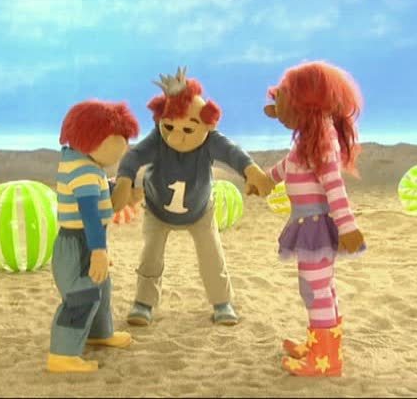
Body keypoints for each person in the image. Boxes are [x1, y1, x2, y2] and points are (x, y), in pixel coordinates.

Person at [112, 67, 275, 326]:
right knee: (150, 256)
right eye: (169, 126)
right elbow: (134, 156)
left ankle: (222, 302)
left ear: (207, 124)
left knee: (212, 256)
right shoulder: (158, 139)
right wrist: (124, 179)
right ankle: (143, 303)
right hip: (157, 209)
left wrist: (251, 170)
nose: (176, 136)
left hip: (200, 212)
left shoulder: (210, 141)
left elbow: (233, 153)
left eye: (188, 129)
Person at [263, 61, 366, 377]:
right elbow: (289, 164)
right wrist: (267, 179)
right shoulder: (309, 137)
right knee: (322, 287)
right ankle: (322, 345)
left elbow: (334, 186)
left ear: (305, 103)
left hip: (315, 227)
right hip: (307, 224)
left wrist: (348, 227)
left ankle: (325, 359)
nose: (276, 106)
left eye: (283, 99)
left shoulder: (323, 140)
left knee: (314, 289)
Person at [47, 100, 139, 373]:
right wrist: (98, 251)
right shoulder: (84, 172)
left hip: (86, 241)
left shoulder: (84, 163)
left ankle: (99, 332)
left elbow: (102, 193)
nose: (123, 148)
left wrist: (124, 192)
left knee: (101, 290)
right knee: (82, 296)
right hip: (79, 244)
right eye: (118, 140)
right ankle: (62, 354)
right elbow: (89, 215)